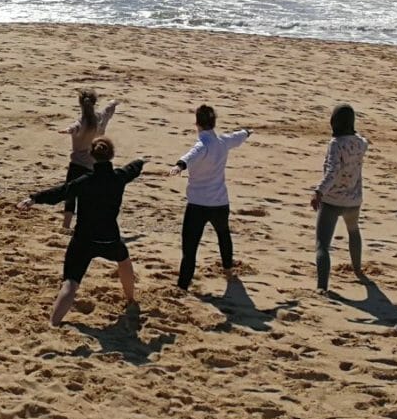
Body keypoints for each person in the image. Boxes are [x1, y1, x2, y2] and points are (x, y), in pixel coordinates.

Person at [20, 138, 145, 323]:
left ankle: (54, 323)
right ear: (112, 155)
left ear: (91, 156)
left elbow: (60, 192)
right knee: (124, 262)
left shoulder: (85, 181)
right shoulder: (118, 177)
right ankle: (130, 299)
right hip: (109, 237)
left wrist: (34, 199)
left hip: (84, 239)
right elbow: (132, 169)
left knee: (70, 283)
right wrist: (142, 161)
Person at [166, 105, 253, 290]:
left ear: (197, 123)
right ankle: (228, 270)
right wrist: (247, 132)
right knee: (223, 235)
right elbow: (238, 136)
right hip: (220, 203)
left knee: (190, 248)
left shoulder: (202, 144)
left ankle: (183, 285)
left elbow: (189, 157)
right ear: (213, 123)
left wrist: (179, 166)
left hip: (198, 205)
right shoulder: (223, 141)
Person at [312, 104, 368, 292]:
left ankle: (322, 286)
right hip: (354, 200)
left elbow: (332, 172)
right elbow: (364, 141)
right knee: (353, 231)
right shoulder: (360, 143)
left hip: (332, 201)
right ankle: (358, 269)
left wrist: (319, 191)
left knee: (322, 245)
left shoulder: (335, 144)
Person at [59, 90, 118, 232]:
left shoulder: (82, 122)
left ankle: (66, 225)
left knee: (70, 194)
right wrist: (114, 102)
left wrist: (67, 130)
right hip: (93, 165)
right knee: (87, 197)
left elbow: (75, 128)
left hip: (77, 164)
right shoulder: (100, 118)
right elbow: (108, 110)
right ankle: (85, 225)